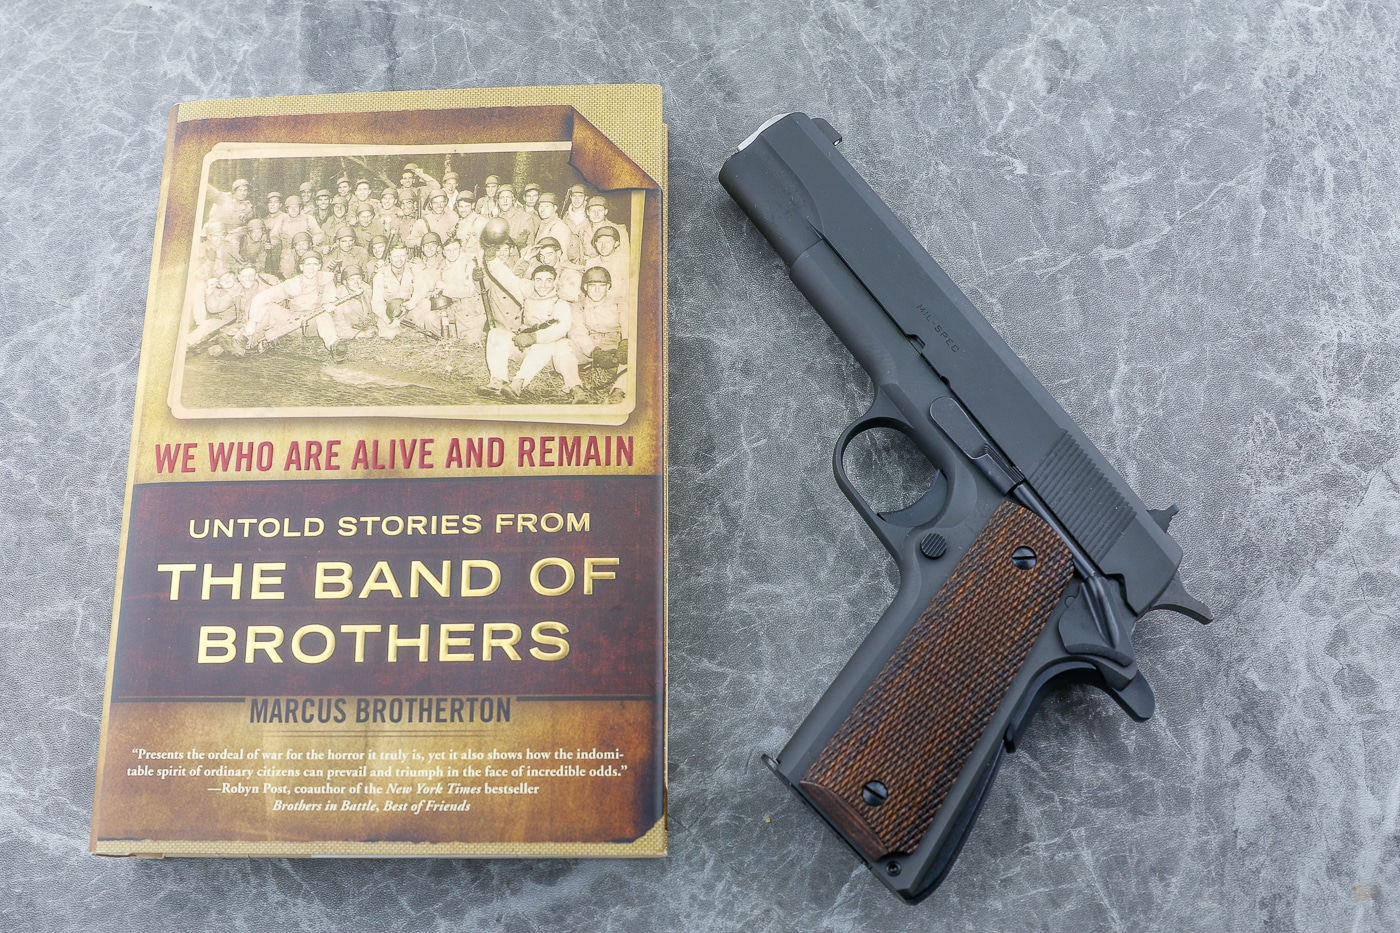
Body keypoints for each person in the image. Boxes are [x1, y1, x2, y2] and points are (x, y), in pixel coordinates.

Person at [500, 265, 584, 402]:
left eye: (548, 280)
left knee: (547, 343)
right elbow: (507, 278)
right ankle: (497, 380)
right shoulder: (528, 297)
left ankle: (518, 382)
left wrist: (533, 337)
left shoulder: (560, 302)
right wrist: (491, 259)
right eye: (538, 280)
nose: (543, 285)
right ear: (532, 281)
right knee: (496, 333)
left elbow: (560, 329)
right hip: (527, 351)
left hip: (550, 356)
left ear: (555, 282)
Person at [244, 251, 344, 360]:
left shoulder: (326, 280)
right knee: (269, 308)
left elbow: (329, 300)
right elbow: (263, 297)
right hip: (293, 322)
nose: (311, 268)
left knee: (323, 315)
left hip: (313, 323)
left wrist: (328, 305)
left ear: (319, 266)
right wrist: (252, 320)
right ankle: (247, 338)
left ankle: (334, 346)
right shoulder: (292, 283)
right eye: (308, 265)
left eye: (315, 264)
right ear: (301, 267)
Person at [570, 265, 627, 372]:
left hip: (614, 345)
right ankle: (573, 384)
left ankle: (619, 387)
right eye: (592, 285)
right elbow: (578, 333)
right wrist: (595, 353)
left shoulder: (619, 303)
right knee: (562, 346)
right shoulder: (578, 306)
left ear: (608, 287)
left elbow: (629, 326)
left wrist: (625, 345)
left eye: (601, 286)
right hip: (589, 348)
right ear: (585, 287)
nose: (597, 290)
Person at [438, 238, 485, 344]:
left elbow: (469, 290)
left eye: (455, 249)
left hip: (470, 310)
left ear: (460, 250)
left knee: (468, 343)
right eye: (448, 251)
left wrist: (444, 288)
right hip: (452, 308)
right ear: (443, 252)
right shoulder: (443, 266)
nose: (452, 253)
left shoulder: (469, 264)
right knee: (431, 321)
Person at [370, 242, 416, 339]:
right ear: (389, 258)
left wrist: (413, 302)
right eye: (395, 256)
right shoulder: (381, 276)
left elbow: (422, 289)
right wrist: (388, 320)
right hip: (389, 312)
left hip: (408, 309)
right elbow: (377, 303)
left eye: (402, 256)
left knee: (424, 305)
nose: (399, 260)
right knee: (389, 335)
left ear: (407, 256)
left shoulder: (413, 270)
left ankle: (413, 330)